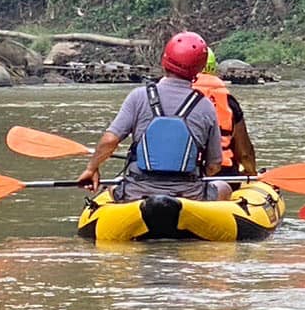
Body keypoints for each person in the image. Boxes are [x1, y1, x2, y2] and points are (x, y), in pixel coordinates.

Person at [75, 31, 230, 202]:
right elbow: (214, 165)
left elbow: (109, 141)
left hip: (137, 191)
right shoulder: (206, 106)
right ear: (199, 69)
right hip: (189, 194)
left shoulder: (138, 96)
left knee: (113, 187)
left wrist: (92, 168)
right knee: (225, 187)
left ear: (164, 61)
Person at [191, 51, 259, 177]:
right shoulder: (227, 100)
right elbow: (244, 153)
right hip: (223, 175)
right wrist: (251, 173)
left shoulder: (173, 96)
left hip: (181, 175)